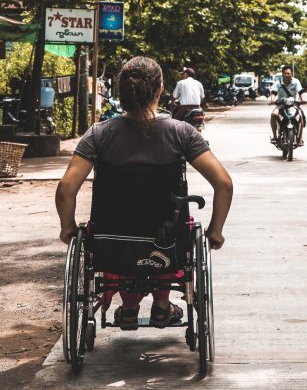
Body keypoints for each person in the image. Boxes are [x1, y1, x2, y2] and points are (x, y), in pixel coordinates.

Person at [56, 56, 233, 329]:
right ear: (160, 90)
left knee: (109, 233)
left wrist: (67, 226)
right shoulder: (182, 133)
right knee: (177, 229)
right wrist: (215, 230)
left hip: (112, 240)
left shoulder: (99, 134)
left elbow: (67, 188)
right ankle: (162, 306)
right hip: (167, 240)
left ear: (121, 92)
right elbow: (223, 184)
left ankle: (128, 307)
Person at [268, 65, 307, 145]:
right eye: (286, 73)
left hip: (293, 104)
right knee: (273, 114)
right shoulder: (278, 83)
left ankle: (300, 137)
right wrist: (272, 100)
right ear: (282, 74)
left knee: (300, 116)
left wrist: (303, 100)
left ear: (291, 74)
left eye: (289, 73)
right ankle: (275, 136)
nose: (288, 75)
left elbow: (301, 92)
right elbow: (274, 93)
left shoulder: (296, 81)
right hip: (281, 105)